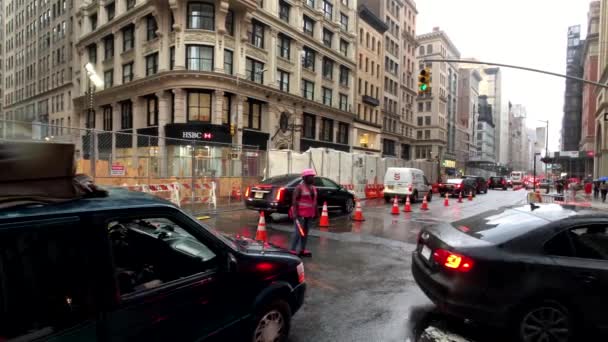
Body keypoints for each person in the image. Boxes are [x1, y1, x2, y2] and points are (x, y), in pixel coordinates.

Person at [290, 168, 318, 257]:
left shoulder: (313, 188)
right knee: (299, 232)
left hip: (309, 214)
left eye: (313, 176)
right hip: (299, 214)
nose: (313, 178)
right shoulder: (299, 188)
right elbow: (294, 201)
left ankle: (302, 249)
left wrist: (317, 213)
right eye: (311, 177)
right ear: (305, 178)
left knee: (305, 232)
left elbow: (314, 201)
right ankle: (293, 250)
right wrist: (295, 213)